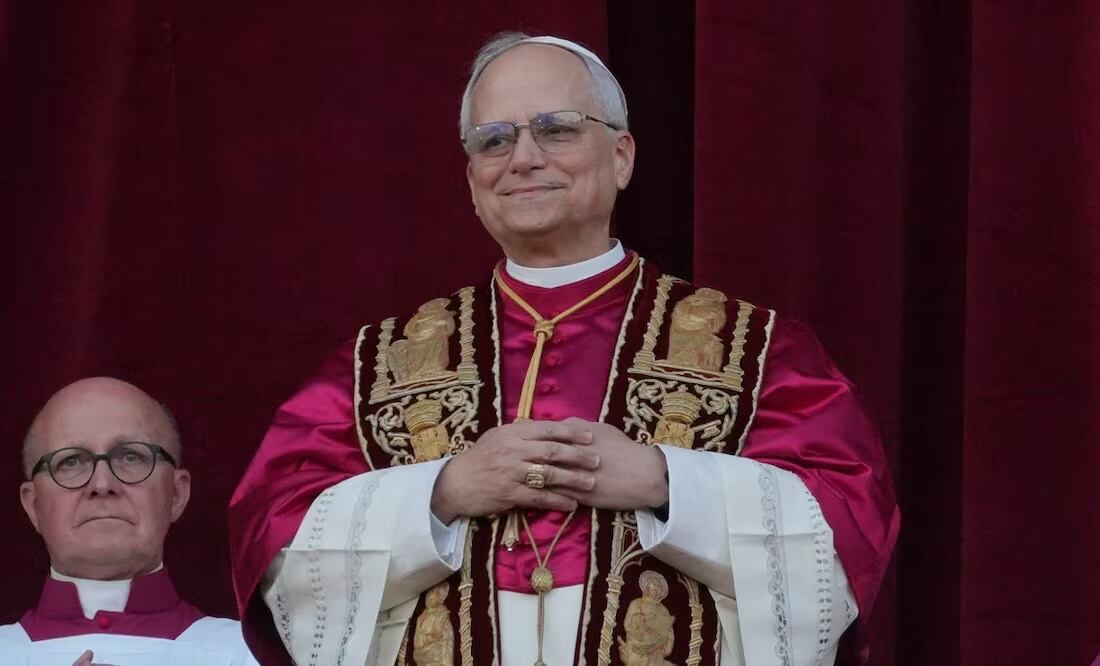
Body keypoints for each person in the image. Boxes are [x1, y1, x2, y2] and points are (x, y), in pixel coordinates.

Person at [229, 32, 900, 665]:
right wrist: (442, 491)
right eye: (494, 140)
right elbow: (275, 541)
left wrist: (667, 483)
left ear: (621, 156)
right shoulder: (378, 363)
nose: (523, 158)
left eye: (557, 128)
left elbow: (845, 533)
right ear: (471, 179)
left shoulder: (755, 349)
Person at [0, 377, 258, 666]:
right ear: (33, 504)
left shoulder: (256, 653)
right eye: (70, 461)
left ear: (176, 493)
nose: (102, 484)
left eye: (131, 456)